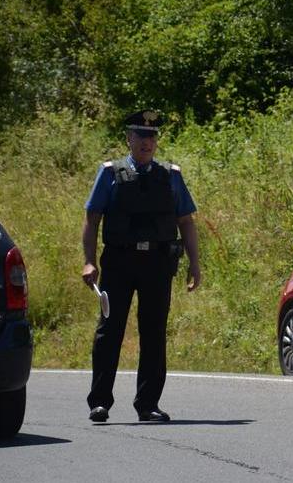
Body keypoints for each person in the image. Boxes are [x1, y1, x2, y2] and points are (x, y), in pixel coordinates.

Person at [81, 110, 201, 423]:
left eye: (152, 136)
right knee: (110, 331)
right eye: (140, 136)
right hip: (119, 261)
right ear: (128, 139)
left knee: (153, 332)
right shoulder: (109, 173)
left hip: (158, 263)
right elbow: (92, 219)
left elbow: (185, 220)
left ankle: (148, 404)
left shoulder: (171, 175)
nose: (147, 142)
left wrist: (195, 263)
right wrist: (89, 261)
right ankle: (100, 402)